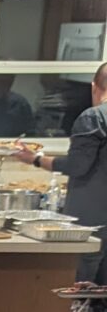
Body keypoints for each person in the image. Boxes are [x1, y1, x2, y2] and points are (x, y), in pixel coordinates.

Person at [12, 63, 107, 285]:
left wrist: (35, 159)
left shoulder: (94, 118)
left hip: (91, 223)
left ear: (94, 87)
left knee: (78, 294)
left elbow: (77, 166)